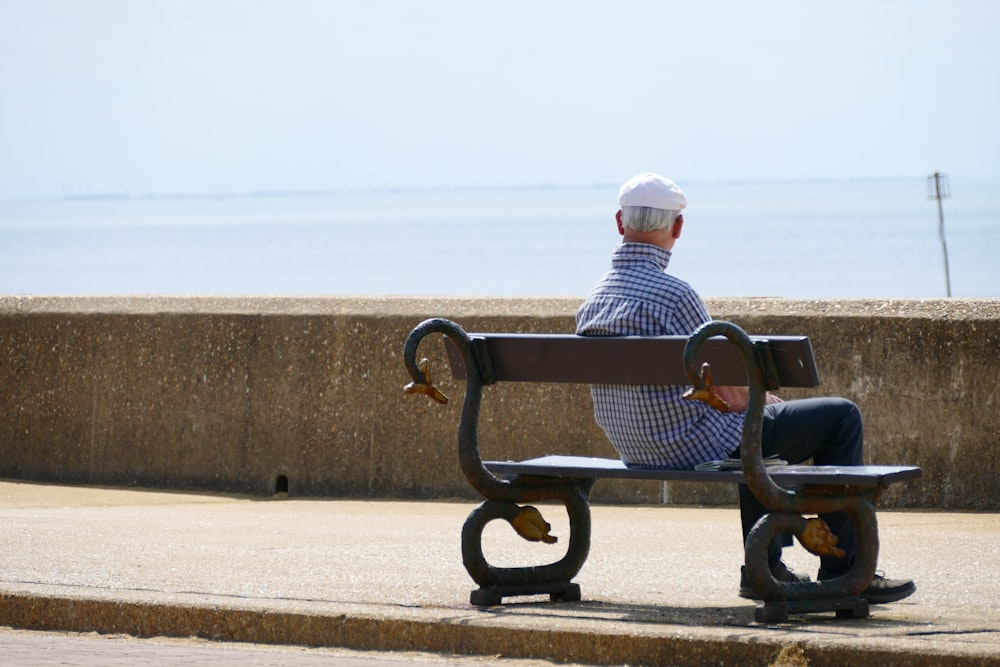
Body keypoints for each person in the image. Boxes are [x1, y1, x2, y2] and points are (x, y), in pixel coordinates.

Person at [575, 172, 915, 603]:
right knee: (836, 416)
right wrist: (761, 399)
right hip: (693, 446)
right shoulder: (675, 297)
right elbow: (735, 395)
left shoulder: (593, 300)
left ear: (620, 223)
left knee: (754, 431)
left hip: (633, 447)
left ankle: (766, 568)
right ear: (676, 228)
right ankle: (847, 570)